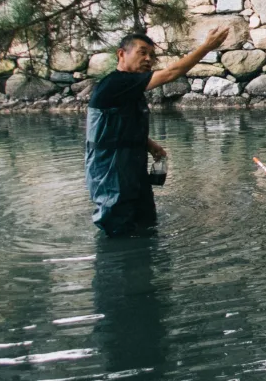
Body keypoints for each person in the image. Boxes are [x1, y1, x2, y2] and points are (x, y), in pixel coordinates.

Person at [85, 27, 228, 237]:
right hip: (110, 170)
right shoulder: (114, 83)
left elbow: (118, 126)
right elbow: (171, 73)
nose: (148, 59)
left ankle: (146, 263)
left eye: (152, 55)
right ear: (121, 54)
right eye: (142, 52)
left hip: (132, 164)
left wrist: (149, 145)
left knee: (147, 222)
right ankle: (115, 265)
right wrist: (207, 47)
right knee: (117, 228)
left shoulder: (131, 87)